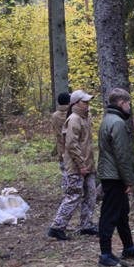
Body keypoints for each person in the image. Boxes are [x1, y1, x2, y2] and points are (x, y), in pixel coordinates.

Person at [96, 88, 134, 267]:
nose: (129, 108)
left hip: (113, 175)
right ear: (121, 104)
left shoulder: (108, 120)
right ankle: (105, 254)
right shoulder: (117, 123)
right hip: (114, 177)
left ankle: (128, 248)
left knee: (121, 214)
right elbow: (122, 155)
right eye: (128, 104)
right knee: (110, 214)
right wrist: (129, 180)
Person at [48, 90, 98, 241]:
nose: (88, 104)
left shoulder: (85, 118)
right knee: (74, 195)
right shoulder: (74, 119)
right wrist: (81, 164)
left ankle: (86, 225)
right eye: (85, 102)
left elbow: (86, 144)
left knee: (91, 194)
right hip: (76, 165)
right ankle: (57, 227)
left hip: (87, 163)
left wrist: (90, 164)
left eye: (88, 102)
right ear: (76, 103)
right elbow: (71, 144)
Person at [50, 92, 70, 182]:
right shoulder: (72, 115)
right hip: (71, 149)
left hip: (61, 148)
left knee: (65, 174)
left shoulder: (55, 116)